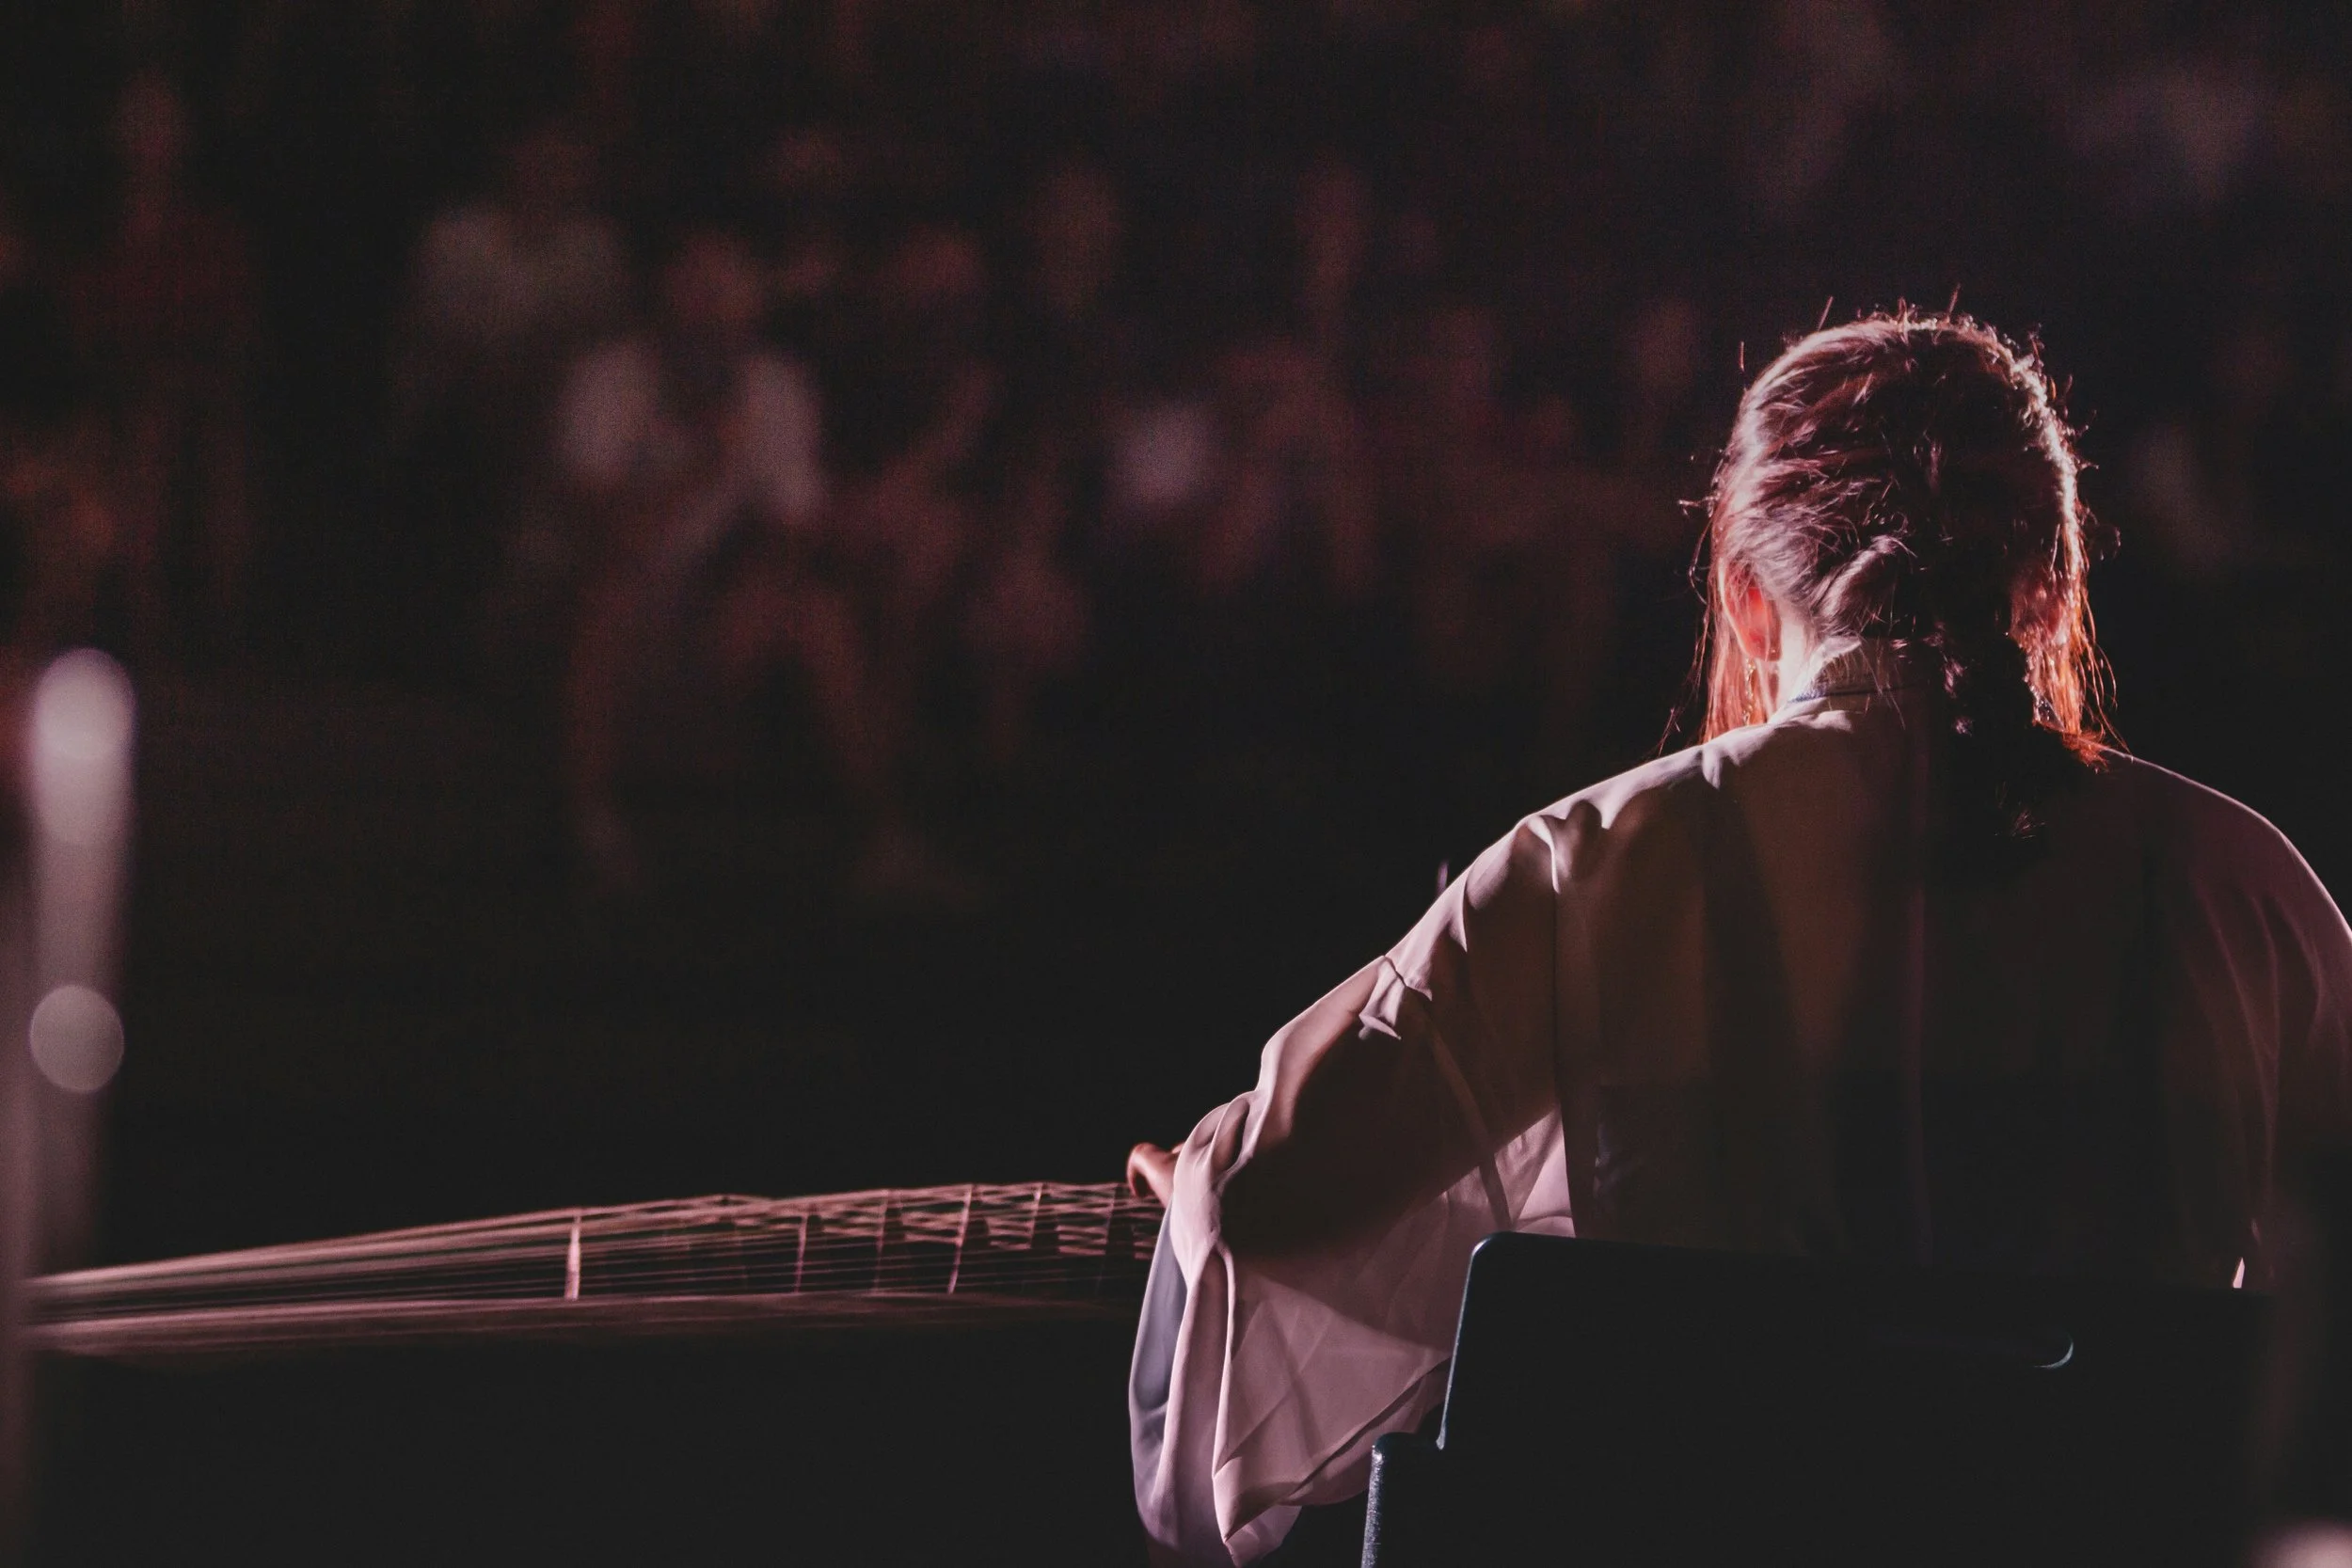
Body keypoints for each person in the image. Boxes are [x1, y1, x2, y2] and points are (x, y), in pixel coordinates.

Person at [1125, 312, 2352, 1566]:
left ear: (1748, 595)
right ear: (2049, 578)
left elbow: (1269, 1203)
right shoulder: (2240, 887)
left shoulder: (1599, 864)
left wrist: (1202, 1182)